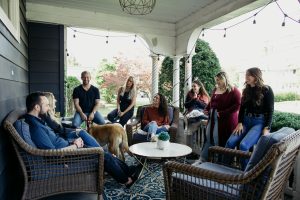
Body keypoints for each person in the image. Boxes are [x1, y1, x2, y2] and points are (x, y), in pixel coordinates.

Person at [25, 92, 141, 188]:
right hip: (69, 156)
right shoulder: (36, 128)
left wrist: (73, 142)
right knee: (103, 156)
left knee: (104, 153)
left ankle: (127, 171)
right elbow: (52, 155)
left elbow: (56, 137)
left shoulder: (38, 121)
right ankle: (126, 180)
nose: (49, 107)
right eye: (46, 105)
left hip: (69, 149)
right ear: (36, 107)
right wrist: (75, 146)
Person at [225, 67, 274, 169]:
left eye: (248, 75)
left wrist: (267, 128)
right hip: (245, 122)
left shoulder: (267, 90)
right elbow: (242, 109)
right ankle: (224, 169)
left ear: (256, 76)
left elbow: (270, 110)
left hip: (259, 122)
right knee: (230, 142)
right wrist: (239, 123)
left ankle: (246, 174)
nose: (246, 77)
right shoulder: (246, 90)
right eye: (246, 75)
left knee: (244, 145)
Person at [201, 71, 241, 161]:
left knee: (222, 141)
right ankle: (206, 159)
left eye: (219, 80)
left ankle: (221, 162)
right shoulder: (215, 89)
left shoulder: (234, 91)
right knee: (209, 137)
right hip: (213, 119)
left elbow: (238, 105)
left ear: (225, 79)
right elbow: (212, 102)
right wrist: (207, 109)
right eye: (216, 80)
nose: (217, 82)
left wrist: (223, 113)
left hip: (226, 121)